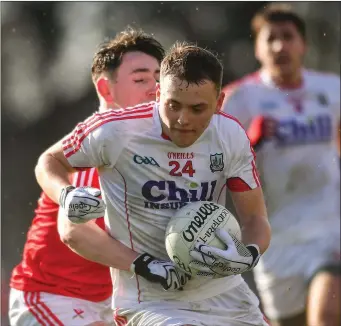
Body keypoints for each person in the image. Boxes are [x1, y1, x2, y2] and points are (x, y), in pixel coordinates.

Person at [34, 41, 271, 326]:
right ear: (159, 94)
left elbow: (256, 218)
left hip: (226, 294)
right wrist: (66, 194)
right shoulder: (115, 131)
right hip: (152, 303)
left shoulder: (230, 134)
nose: (183, 119)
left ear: (218, 103)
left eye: (197, 108)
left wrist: (249, 254)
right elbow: (50, 161)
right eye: (173, 105)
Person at [9, 27, 165, 326]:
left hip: (109, 304)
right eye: (141, 79)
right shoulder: (97, 142)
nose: (154, 89)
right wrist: (144, 264)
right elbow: (74, 232)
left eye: (159, 79)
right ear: (106, 90)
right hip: (54, 297)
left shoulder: (158, 146)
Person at [222, 4, 340, 326]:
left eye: (288, 37)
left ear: (304, 44)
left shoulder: (332, 90)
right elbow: (214, 165)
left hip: (330, 230)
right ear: (257, 48)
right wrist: (250, 140)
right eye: (270, 38)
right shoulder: (239, 99)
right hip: (275, 238)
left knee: (327, 313)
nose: (280, 46)